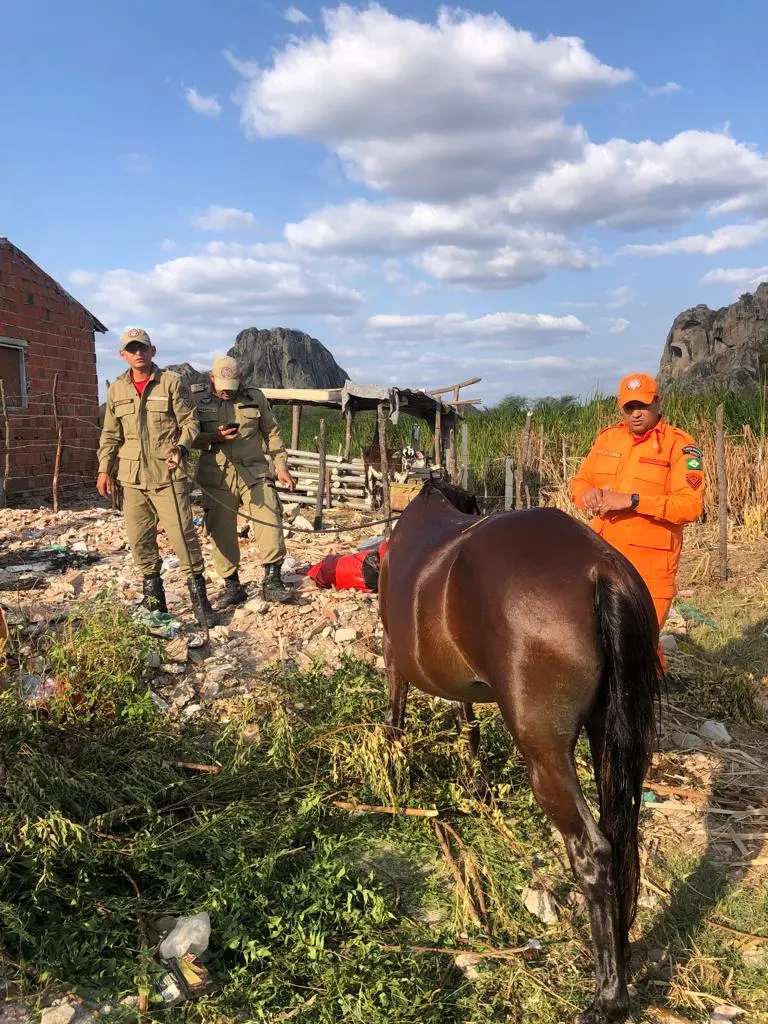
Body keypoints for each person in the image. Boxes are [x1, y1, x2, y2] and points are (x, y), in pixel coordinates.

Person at [97, 328, 217, 627]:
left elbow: (190, 421)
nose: (138, 352)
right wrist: (104, 469)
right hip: (132, 478)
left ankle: (201, 605)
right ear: (122, 354)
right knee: (140, 540)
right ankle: (155, 603)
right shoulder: (117, 390)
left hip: (168, 473)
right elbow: (111, 434)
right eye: (132, 348)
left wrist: (181, 447)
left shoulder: (172, 382)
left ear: (153, 351)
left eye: (143, 347)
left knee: (183, 537)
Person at [570, 372, 704, 634]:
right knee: (599, 639)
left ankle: (656, 676)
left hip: (650, 567)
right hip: (603, 558)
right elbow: (580, 482)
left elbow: (690, 506)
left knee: (642, 641)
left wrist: (633, 501)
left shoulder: (679, 446)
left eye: (642, 405)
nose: (636, 414)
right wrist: (586, 494)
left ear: (658, 402)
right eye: (629, 407)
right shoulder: (608, 439)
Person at [191, 356, 296, 606]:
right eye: (222, 385)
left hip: (254, 472)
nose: (228, 391)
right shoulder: (198, 401)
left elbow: (271, 432)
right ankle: (232, 586)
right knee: (220, 530)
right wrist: (213, 437)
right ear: (211, 379)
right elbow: (187, 437)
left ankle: (272, 581)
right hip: (217, 476)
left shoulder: (254, 397)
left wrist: (281, 467)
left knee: (269, 518)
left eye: (232, 385)